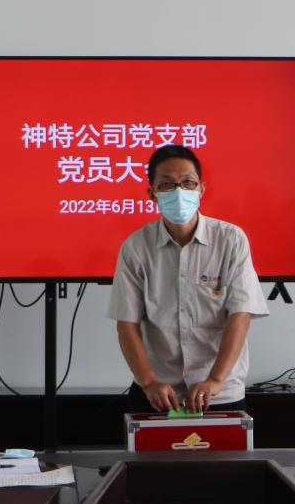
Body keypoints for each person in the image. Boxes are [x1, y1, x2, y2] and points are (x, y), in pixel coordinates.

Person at [109, 144, 269, 413]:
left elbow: (240, 315)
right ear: (152, 194)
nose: (179, 192)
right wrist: (149, 382)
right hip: (157, 393)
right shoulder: (136, 247)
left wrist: (215, 380)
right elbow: (126, 325)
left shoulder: (230, 240)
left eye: (188, 183)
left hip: (220, 393)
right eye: (167, 185)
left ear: (201, 189)